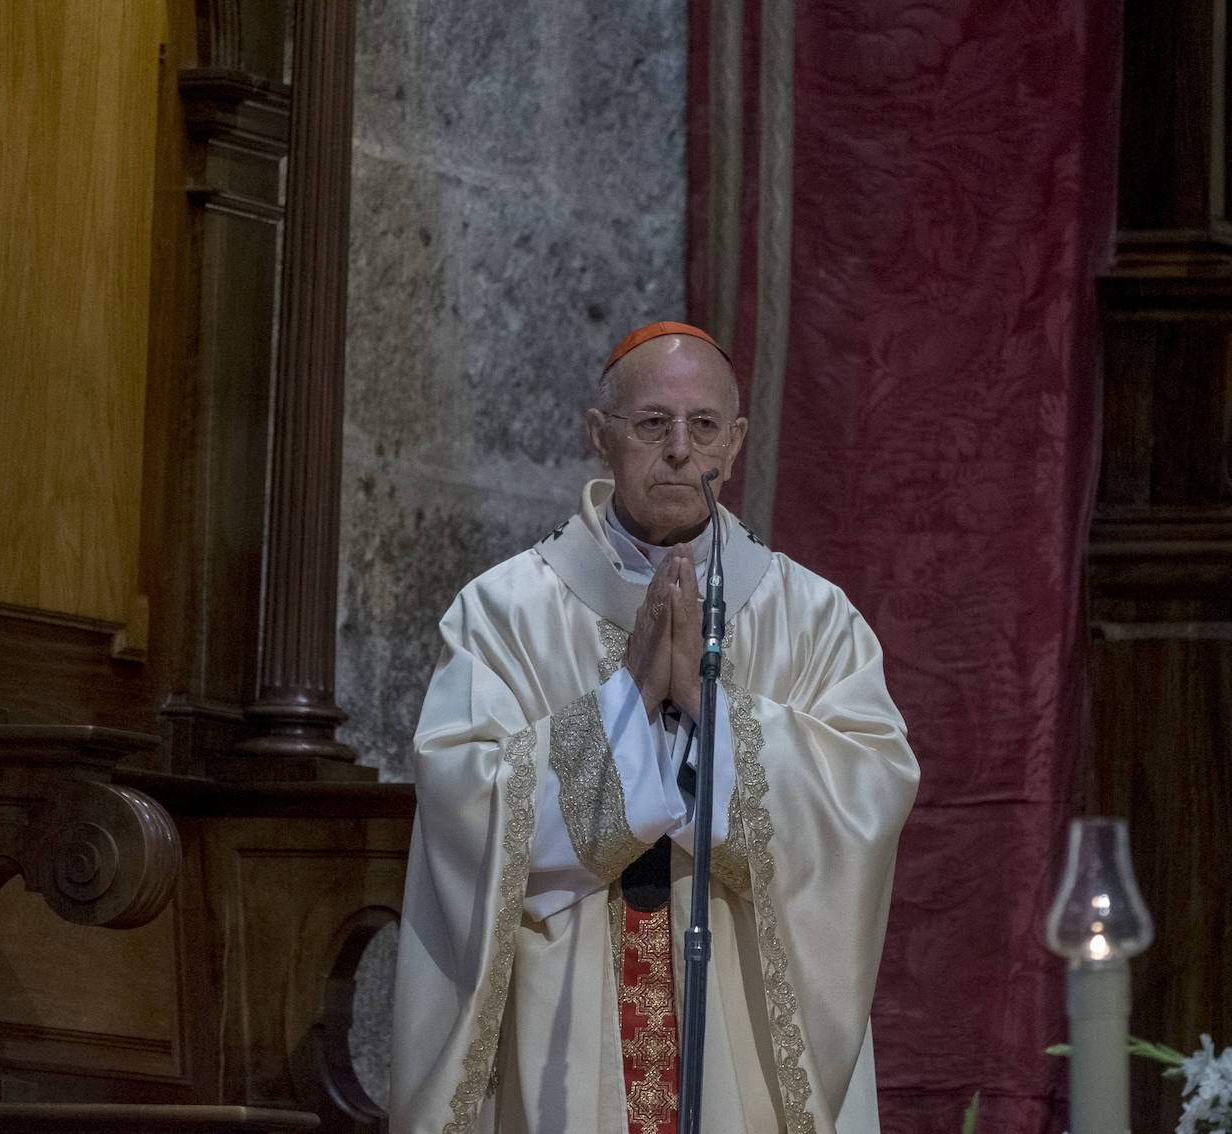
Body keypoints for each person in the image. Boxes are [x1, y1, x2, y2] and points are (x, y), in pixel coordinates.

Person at [389, 322, 919, 1133]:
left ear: (735, 444)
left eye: (703, 426)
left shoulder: (812, 621)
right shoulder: (503, 613)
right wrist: (629, 697)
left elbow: (866, 802)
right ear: (600, 437)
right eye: (652, 424)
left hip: (734, 1027)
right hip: (564, 1034)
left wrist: (715, 709)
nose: (679, 449)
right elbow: (468, 812)